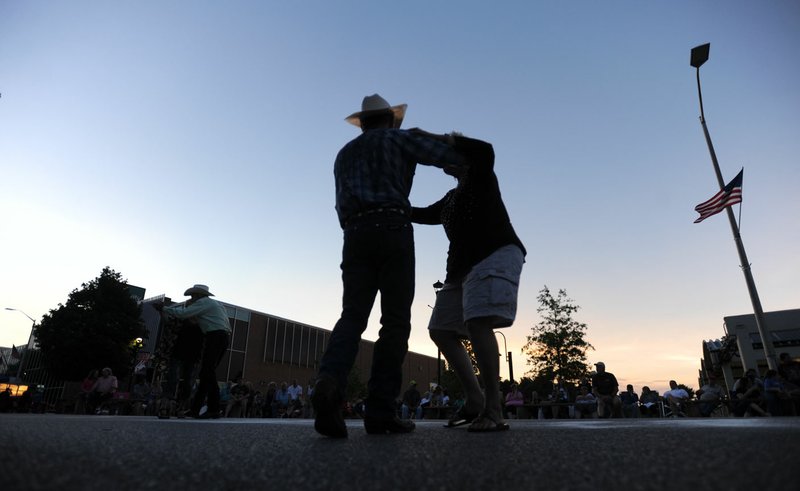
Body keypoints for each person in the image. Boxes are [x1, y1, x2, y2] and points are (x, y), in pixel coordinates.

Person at [312, 94, 467, 438]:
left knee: (352, 317)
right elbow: (450, 156)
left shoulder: (344, 154)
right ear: (390, 120)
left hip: (355, 233)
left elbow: (340, 203)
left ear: (363, 122)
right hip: (394, 229)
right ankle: (381, 410)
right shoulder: (400, 138)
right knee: (395, 322)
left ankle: (329, 380)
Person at [411, 133, 526, 432]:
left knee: (477, 321)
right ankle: (474, 398)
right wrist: (389, 203)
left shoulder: (481, 175)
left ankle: (494, 409)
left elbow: (485, 148)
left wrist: (439, 138)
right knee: (441, 330)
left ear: (463, 160)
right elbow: (420, 214)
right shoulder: (450, 199)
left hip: (495, 252)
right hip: (460, 268)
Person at [161, 284, 231, 419]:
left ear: (199, 295)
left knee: (207, 372)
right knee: (206, 373)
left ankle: (213, 408)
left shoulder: (203, 303)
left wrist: (164, 308)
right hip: (220, 336)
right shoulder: (215, 305)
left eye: (193, 295)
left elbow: (182, 314)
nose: (192, 298)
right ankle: (196, 409)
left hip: (215, 336)